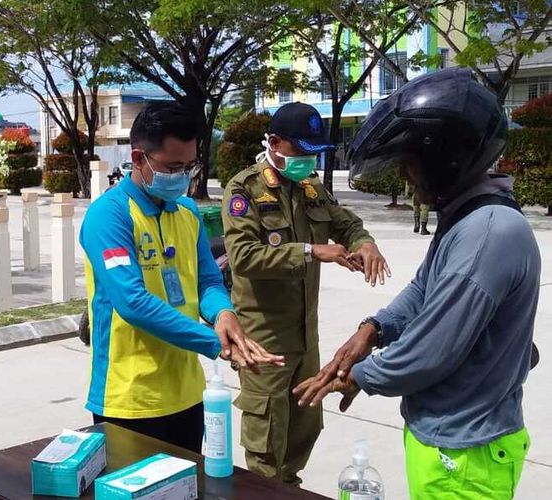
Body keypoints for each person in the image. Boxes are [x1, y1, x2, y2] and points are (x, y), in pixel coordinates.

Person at [295, 68, 540, 499]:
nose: (405, 177)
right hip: (447, 441)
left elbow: (432, 349)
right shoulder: (468, 219)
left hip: (466, 453)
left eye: (408, 164)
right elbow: (422, 291)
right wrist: (372, 330)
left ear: (446, 158)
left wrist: (360, 375)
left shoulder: (489, 233)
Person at [79, 102, 284, 453]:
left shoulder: (187, 212)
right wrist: (215, 343)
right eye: (173, 167)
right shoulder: (108, 216)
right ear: (139, 158)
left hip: (188, 394)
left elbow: (207, 280)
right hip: (130, 398)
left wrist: (223, 314)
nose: (183, 176)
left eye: (189, 166)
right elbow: (133, 303)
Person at [221, 102, 390, 485]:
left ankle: (289, 487)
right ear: (275, 142)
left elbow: (345, 224)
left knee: (303, 426)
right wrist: (312, 251)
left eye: (315, 153)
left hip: (304, 335)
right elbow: (244, 257)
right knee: (266, 440)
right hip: (264, 338)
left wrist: (365, 243)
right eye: (301, 152)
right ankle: (267, 492)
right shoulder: (244, 189)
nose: (308, 161)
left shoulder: (312, 188)